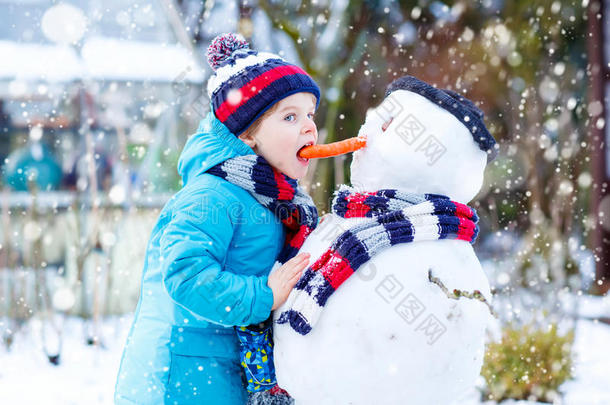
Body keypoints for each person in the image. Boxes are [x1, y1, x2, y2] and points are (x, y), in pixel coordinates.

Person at [114, 33, 321, 405]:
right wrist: (264, 295)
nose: (309, 127)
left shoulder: (280, 199)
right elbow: (185, 274)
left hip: (237, 369)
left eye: (310, 115)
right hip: (192, 374)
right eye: (290, 117)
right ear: (248, 133)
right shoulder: (212, 194)